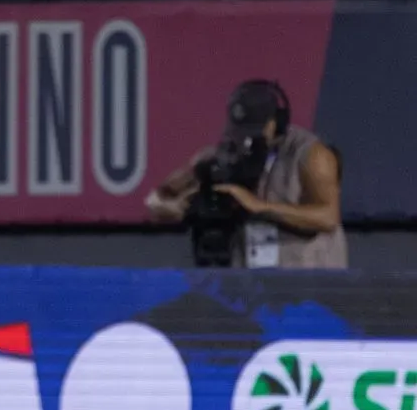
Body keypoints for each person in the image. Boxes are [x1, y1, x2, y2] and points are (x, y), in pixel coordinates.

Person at [147, 79, 348, 269]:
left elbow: (328, 217)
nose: (247, 137)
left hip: (310, 283)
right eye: (241, 129)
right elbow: (156, 201)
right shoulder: (222, 155)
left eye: (255, 129)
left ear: (274, 122)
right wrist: (179, 208)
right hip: (252, 287)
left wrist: (258, 206)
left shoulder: (311, 154)